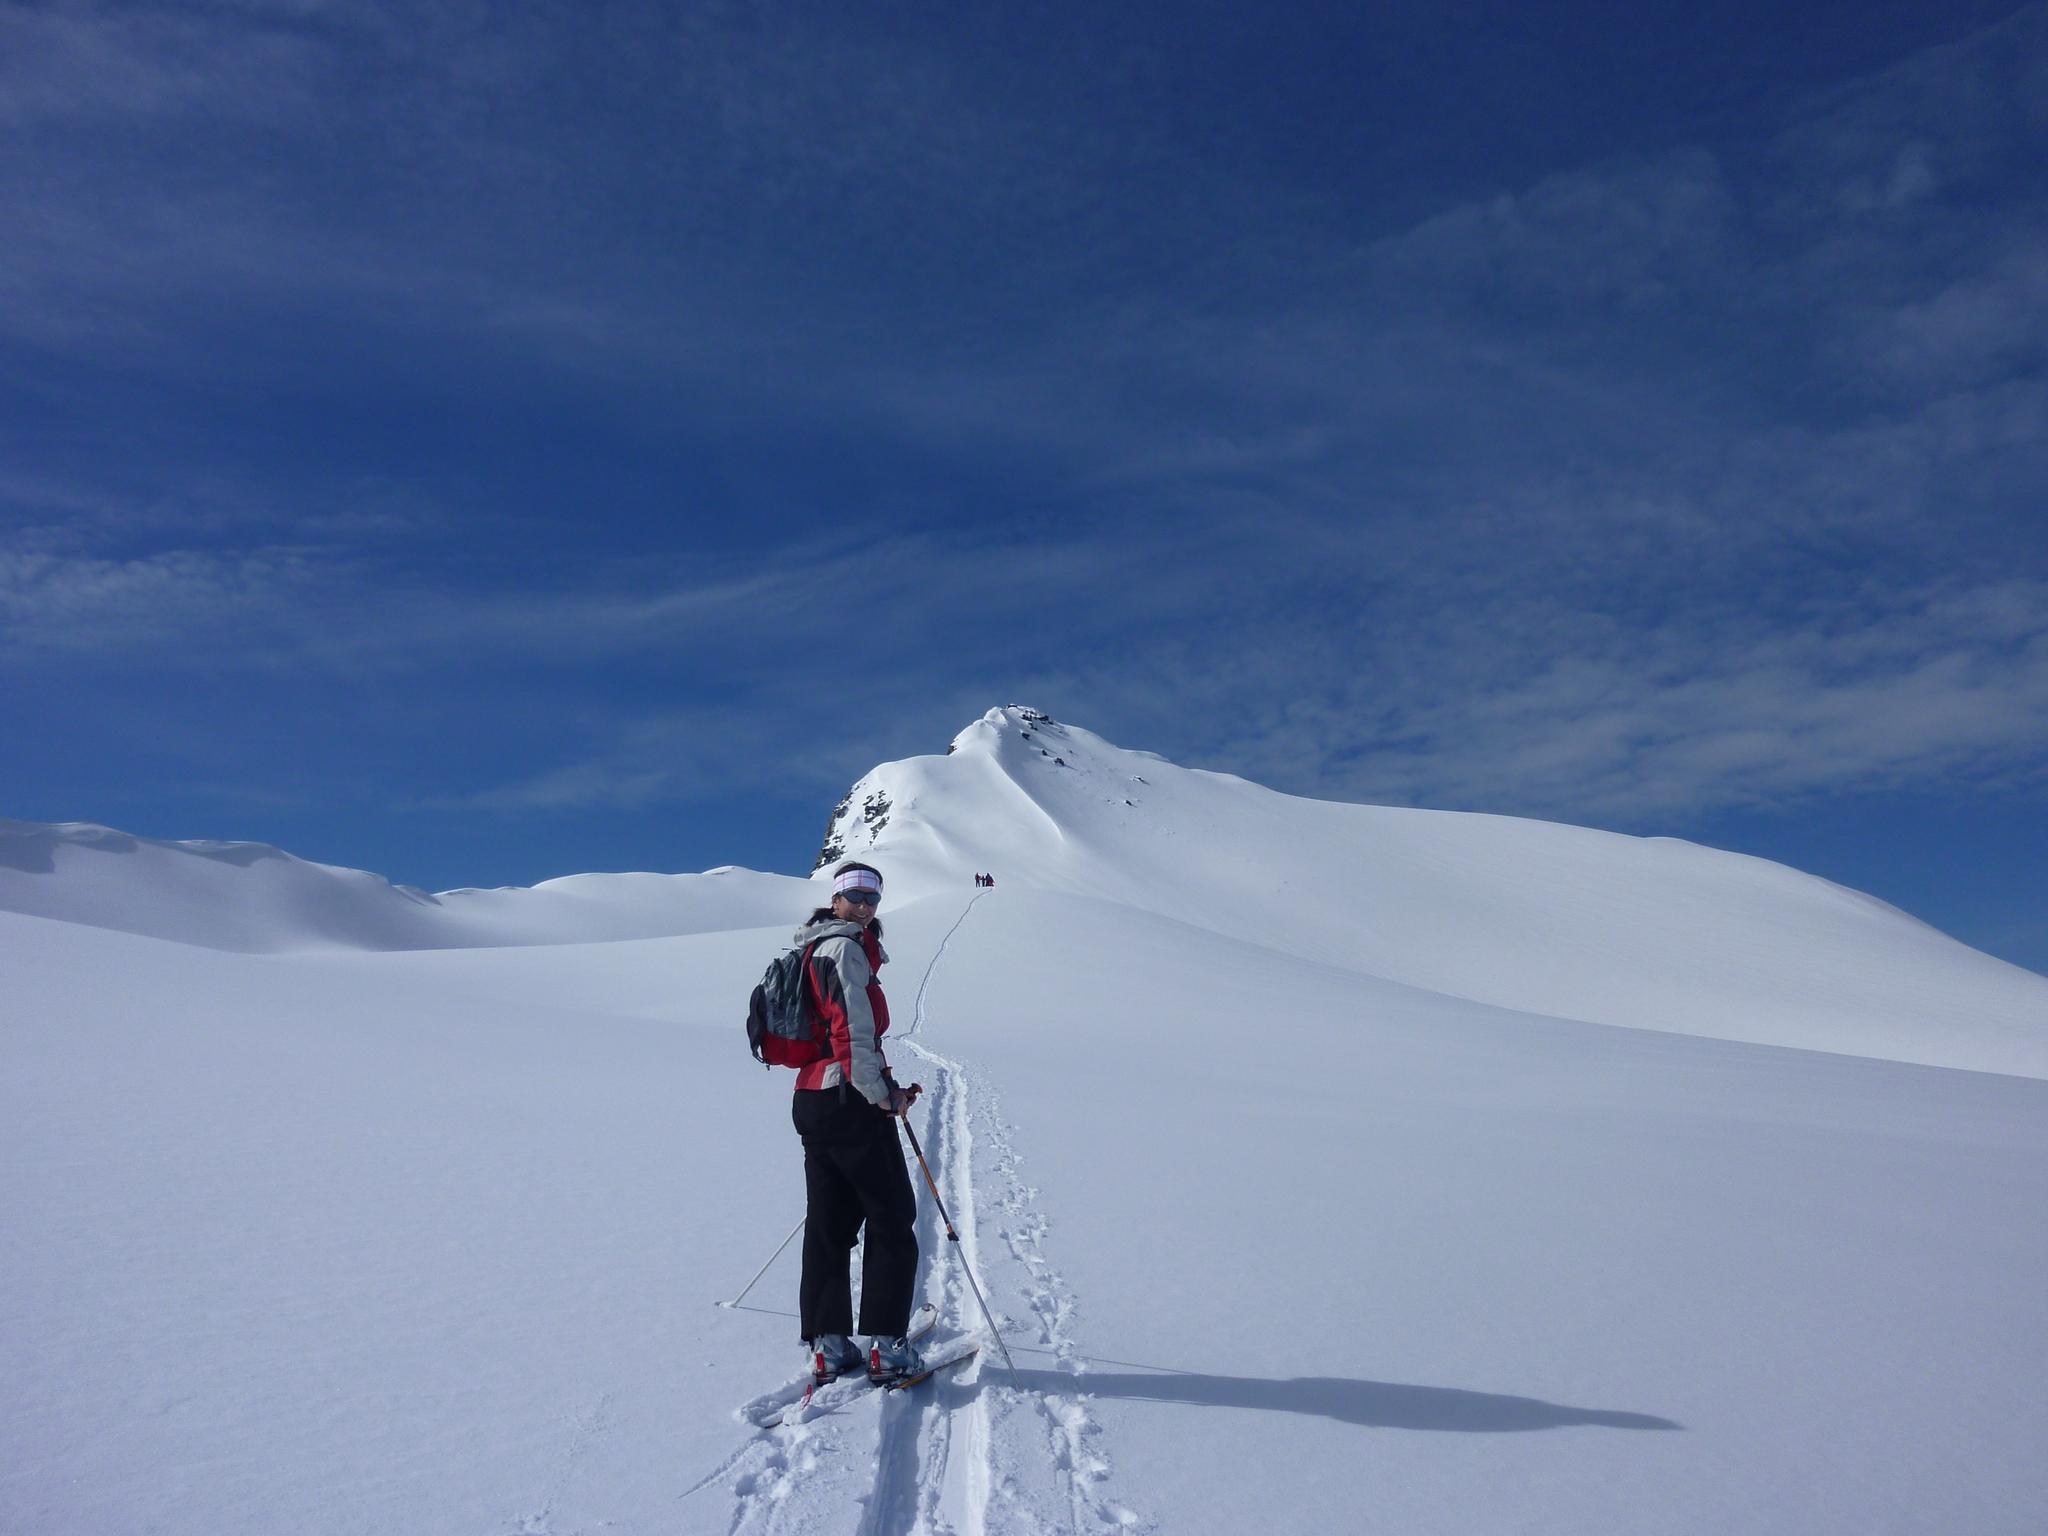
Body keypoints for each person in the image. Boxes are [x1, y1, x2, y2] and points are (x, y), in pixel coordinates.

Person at [791, 861, 924, 1386]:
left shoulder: (810, 946)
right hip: (849, 1100)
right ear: (837, 898)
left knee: (829, 1220)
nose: (866, 905)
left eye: (873, 896)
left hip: (811, 1100)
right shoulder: (844, 949)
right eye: (856, 896)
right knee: (892, 1216)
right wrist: (883, 1096)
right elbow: (852, 1034)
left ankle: (828, 1344)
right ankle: (888, 1348)